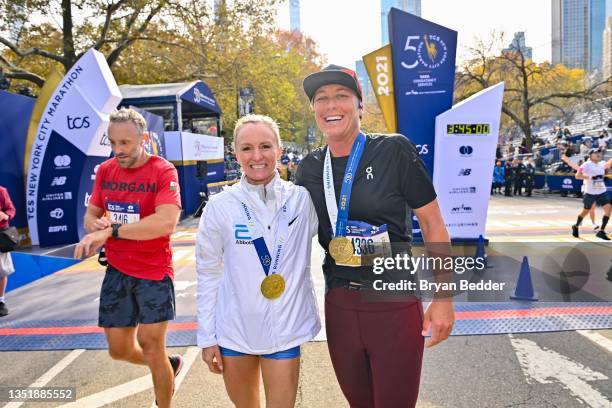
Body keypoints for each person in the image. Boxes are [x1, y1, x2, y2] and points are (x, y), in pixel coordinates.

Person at [296, 64, 454, 407]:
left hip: (393, 303)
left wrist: (444, 298)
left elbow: (433, 224)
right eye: (321, 98)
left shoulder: (394, 150)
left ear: (359, 105)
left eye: (341, 96)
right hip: (339, 304)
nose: (331, 105)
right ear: (314, 110)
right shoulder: (308, 168)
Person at [196, 114, 320, 408]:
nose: (257, 156)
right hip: (234, 331)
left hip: (285, 331)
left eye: (265, 146)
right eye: (247, 148)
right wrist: (206, 336)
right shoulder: (219, 206)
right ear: (236, 154)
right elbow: (208, 272)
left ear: (279, 150)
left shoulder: (302, 200)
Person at [73, 108, 183, 408]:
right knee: (119, 350)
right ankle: (168, 364)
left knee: (151, 345)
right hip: (118, 271)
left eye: (126, 143)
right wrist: (94, 225)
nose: (118, 150)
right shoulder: (107, 170)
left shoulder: (163, 171)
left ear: (144, 138)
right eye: (113, 143)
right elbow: (91, 214)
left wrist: (111, 233)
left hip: (154, 271)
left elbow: (166, 223)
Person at [568, 149, 612, 240]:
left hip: (601, 191)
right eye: (596, 153)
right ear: (590, 155)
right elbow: (577, 176)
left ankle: (601, 231)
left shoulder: (601, 164)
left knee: (608, 209)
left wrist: (603, 178)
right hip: (590, 192)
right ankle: (576, 226)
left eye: (599, 153)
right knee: (586, 211)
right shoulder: (586, 165)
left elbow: (607, 165)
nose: (598, 154)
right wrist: (590, 177)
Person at [0, 185, 16, 317]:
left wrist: (5, 215)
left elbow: (11, 210)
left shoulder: (1, 191)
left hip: (1, 235)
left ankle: (1, 302)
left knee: (2, 270)